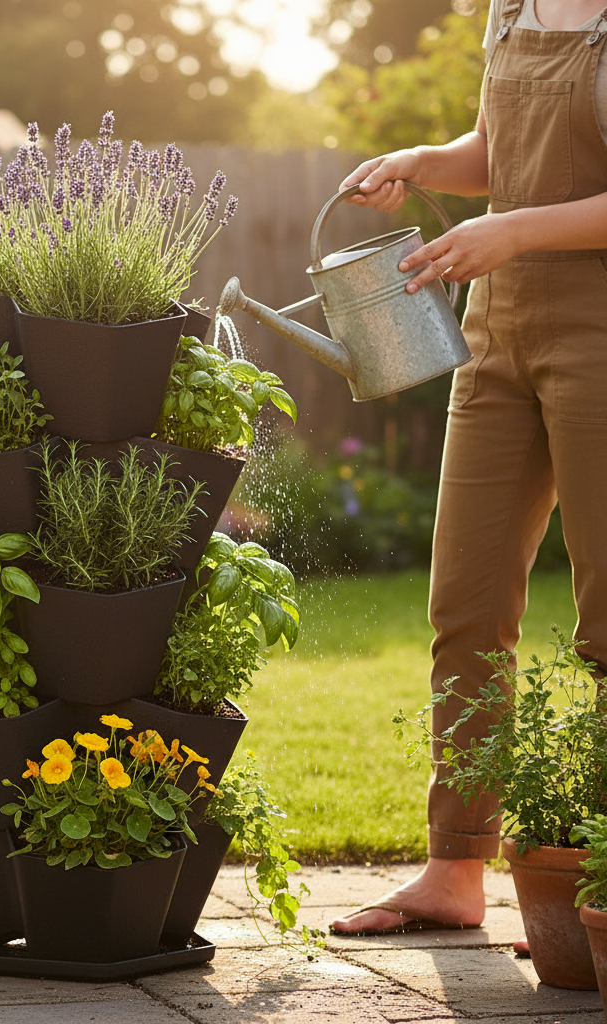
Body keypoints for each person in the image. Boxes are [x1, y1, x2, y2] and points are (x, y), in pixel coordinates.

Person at [330, 0, 607, 936]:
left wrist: (516, 231)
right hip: (495, 336)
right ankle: (455, 868)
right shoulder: (512, 7)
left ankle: (597, 877)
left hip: (602, 335)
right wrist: (419, 162)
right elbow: (497, 152)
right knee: (467, 606)